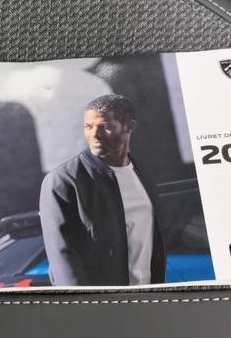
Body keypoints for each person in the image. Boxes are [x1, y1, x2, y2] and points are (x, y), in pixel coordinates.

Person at [39, 94, 165, 286]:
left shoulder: (143, 174)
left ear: (129, 126)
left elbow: (153, 238)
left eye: (104, 127)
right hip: (102, 301)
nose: (94, 135)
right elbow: (63, 258)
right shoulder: (63, 181)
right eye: (88, 127)